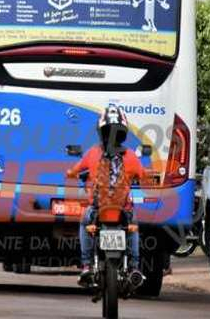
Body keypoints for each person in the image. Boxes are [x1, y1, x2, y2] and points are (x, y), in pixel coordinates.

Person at [66, 104, 146, 287]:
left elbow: (74, 171)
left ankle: (86, 266)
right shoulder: (132, 156)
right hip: (123, 209)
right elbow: (142, 176)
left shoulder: (93, 153)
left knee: (85, 222)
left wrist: (71, 174)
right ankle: (134, 267)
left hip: (97, 208)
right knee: (133, 228)